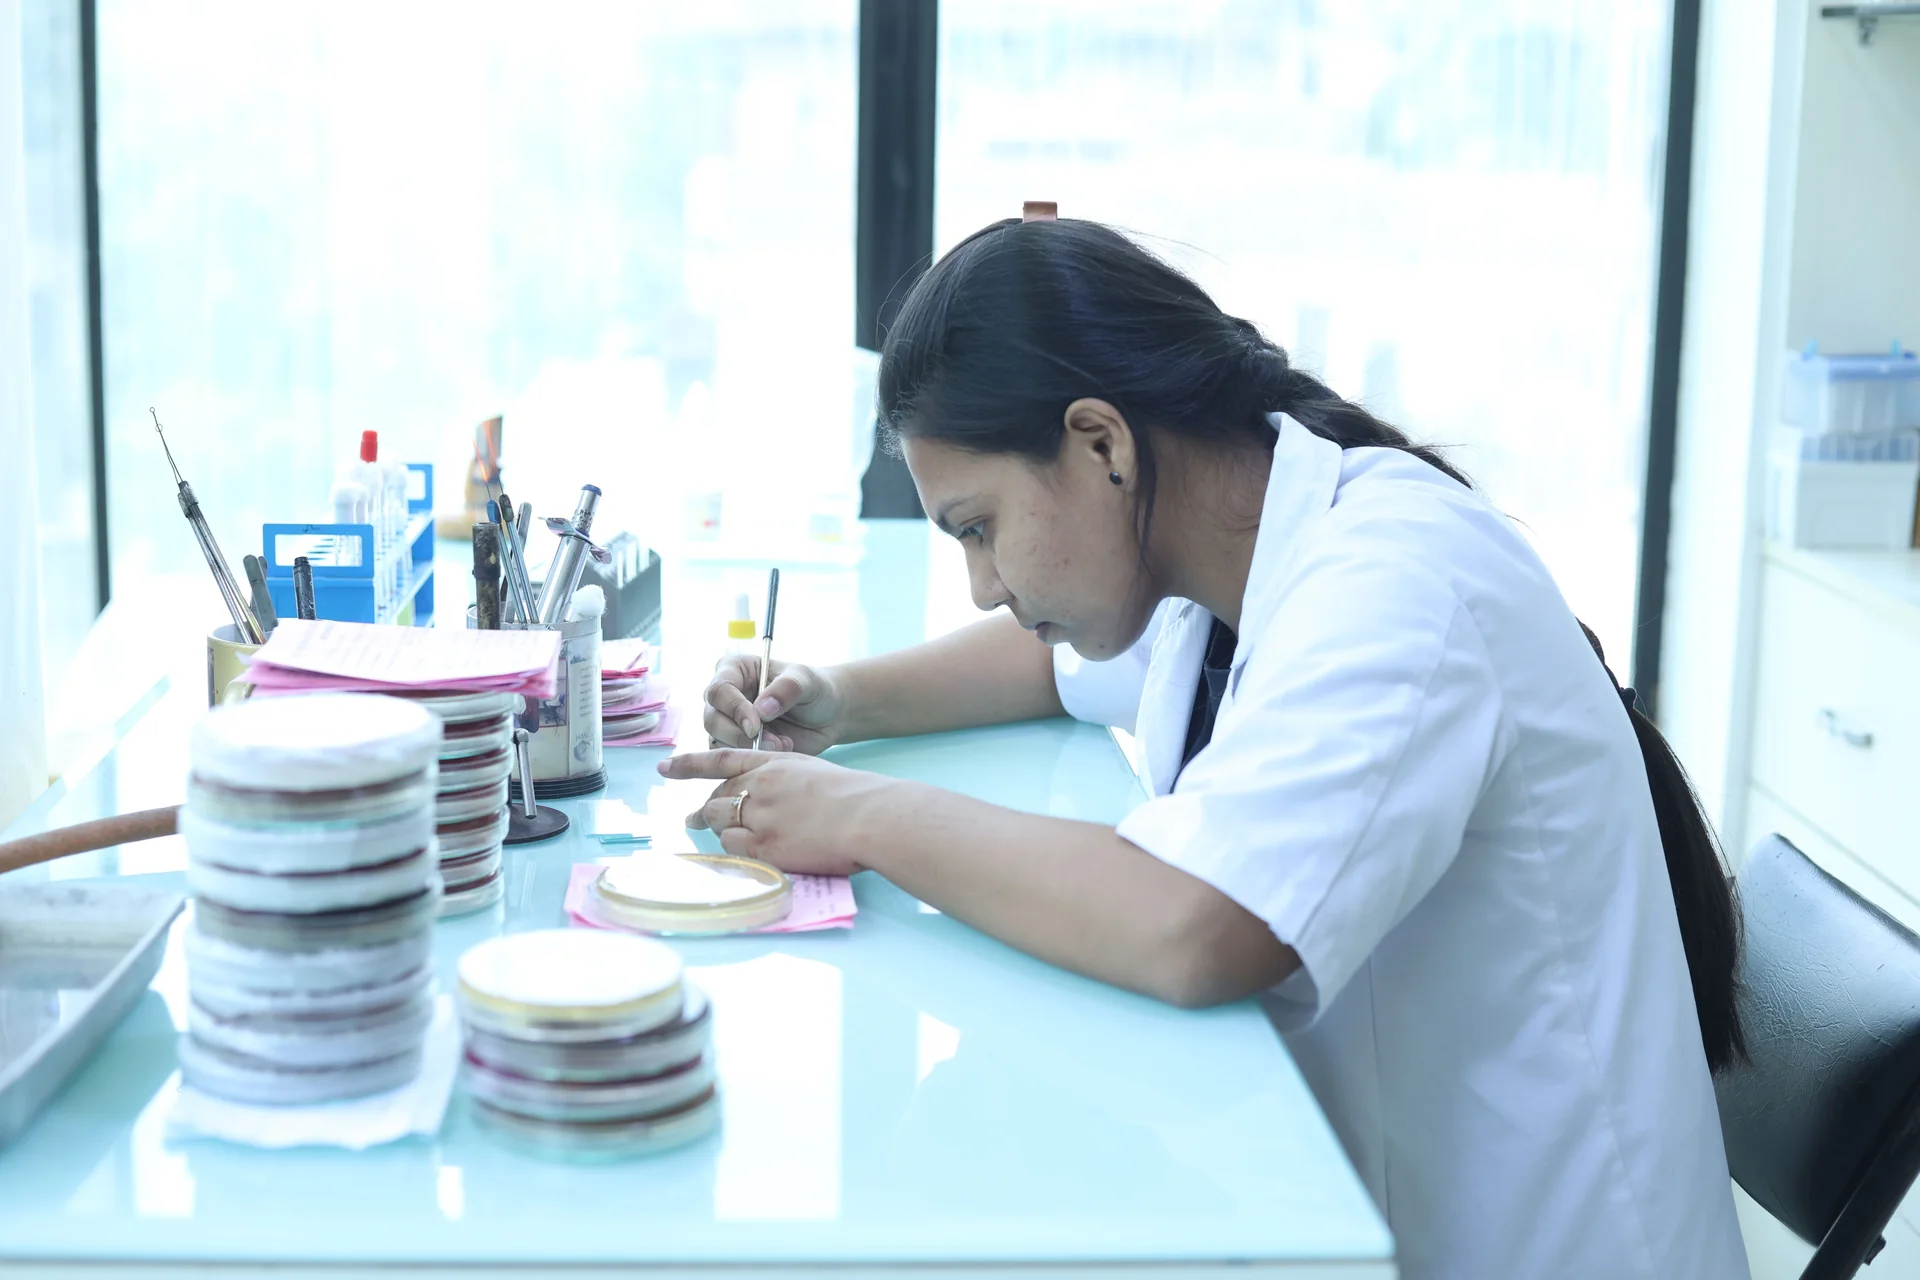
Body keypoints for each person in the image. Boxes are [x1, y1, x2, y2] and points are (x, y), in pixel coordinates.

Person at [658, 216, 1750, 1279]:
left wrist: (859, 814)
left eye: (980, 528)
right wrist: (839, 699)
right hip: (1358, 1191)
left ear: (1101, 443)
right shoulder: (1212, 549)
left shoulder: (1397, 587)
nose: (984, 584)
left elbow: (1199, 926)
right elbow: (1050, 662)